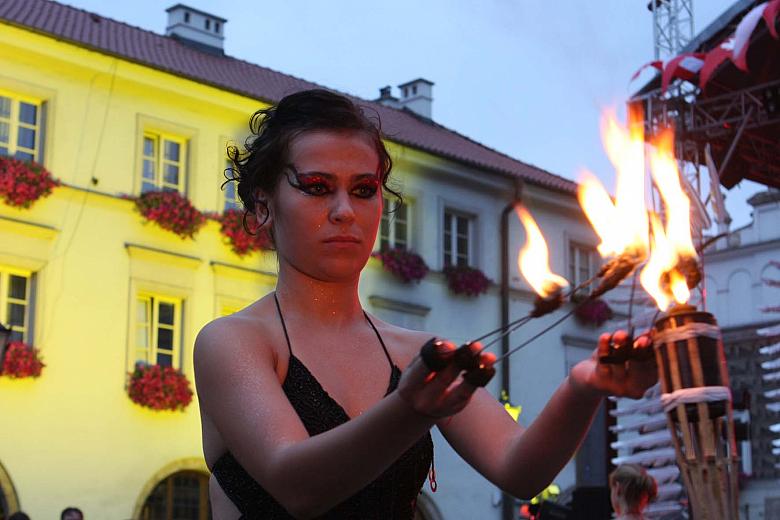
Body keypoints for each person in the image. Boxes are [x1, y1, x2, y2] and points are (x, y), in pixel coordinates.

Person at [194, 89, 658, 519]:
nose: (344, 211)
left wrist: (585, 384)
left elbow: (521, 469)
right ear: (261, 207)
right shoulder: (234, 343)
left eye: (363, 189)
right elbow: (297, 486)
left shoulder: (414, 353)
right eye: (317, 186)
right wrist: (409, 409)